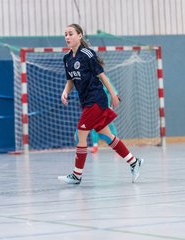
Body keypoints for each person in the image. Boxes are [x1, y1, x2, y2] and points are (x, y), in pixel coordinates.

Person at [58, 23, 144, 184]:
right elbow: (70, 79)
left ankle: (77, 175)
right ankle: (134, 162)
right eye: (65, 34)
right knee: (106, 134)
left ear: (80, 36)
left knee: (80, 135)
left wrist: (113, 95)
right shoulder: (67, 58)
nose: (67, 37)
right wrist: (65, 91)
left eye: (70, 34)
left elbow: (102, 75)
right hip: (85, 101)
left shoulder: (87, 54)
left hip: (96, 100)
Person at [90, 78, 118, 153]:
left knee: (110, 126)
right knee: (94, 126)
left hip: (106, 108)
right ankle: (95, 145)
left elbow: (114, 93)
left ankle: (117, 144)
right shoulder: (90, 82)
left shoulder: (105, 80)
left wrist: (112, 104)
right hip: (95, 109)